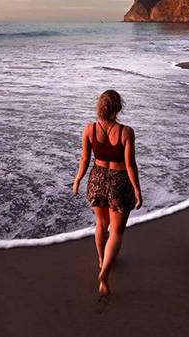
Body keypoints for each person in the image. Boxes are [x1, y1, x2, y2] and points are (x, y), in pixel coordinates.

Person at [72, 89, 141, 301]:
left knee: (101, 224)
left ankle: (102, 260)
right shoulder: (126, 131)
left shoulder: (90, 129)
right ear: (118, 108)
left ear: (99, 107)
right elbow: (130, 165)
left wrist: (77, 180)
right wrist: (137, 190)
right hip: (119, 181)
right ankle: (104, 273)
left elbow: (84, 158)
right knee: (117, 231)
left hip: (97, 178)